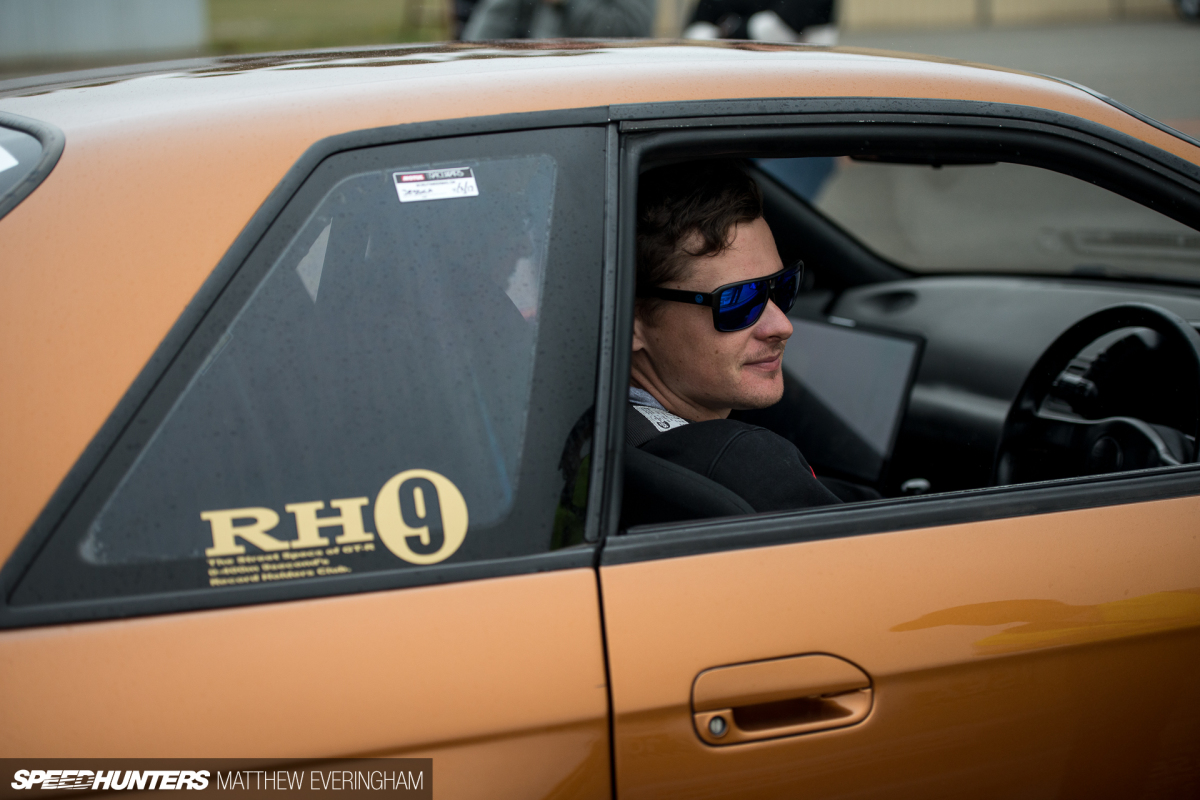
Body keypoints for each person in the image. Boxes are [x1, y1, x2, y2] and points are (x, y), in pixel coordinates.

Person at [623, 161, 846, 525]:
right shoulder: (743, 465)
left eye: (782, 288)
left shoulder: (589, 427)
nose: (782, 325)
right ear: (631, 323)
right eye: (739, 301)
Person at [461, 0, 655, 40]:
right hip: (538, 82)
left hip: (601, 90)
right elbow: (495, 21)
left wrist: (569, 3)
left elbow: (631, 29)